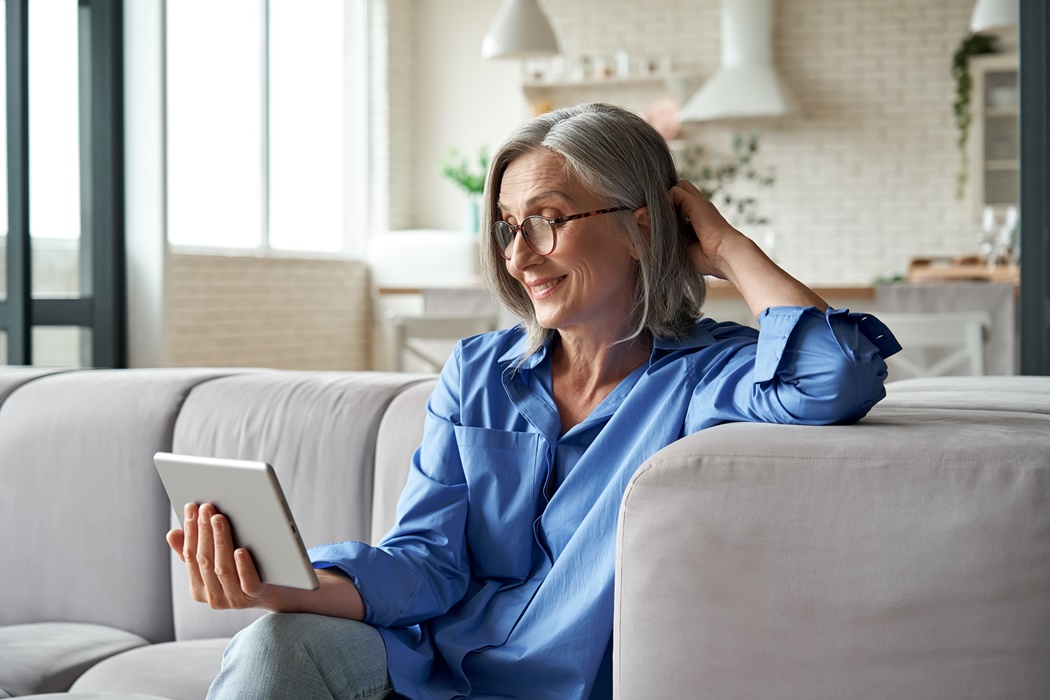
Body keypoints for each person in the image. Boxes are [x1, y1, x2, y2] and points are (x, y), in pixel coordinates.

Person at [167, 102, 900, 700]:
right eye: (508, 228)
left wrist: (729, 250)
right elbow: (427, 561)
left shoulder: (708, 377)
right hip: (433, 670)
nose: (519, 256)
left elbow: (834, 377)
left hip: (567, 685)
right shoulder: (477, 371)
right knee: (275, 646)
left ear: (641, 226)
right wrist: (291, 586)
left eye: (546, 220)